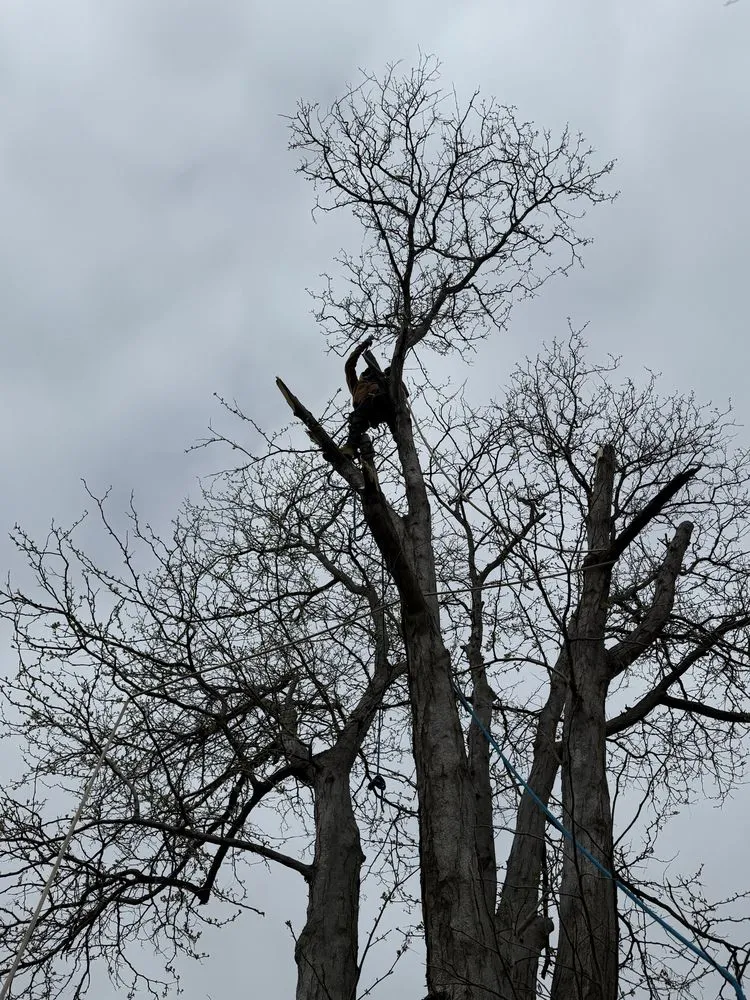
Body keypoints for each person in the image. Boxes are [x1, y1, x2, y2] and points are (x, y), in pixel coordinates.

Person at [340, 336, 397, 459]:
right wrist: (363, 346)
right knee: (357, 422)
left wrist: (390, 373)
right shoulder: (356, 385)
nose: (370, 375)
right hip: (365, 412)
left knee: (386, 407)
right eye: (367, 373)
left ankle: (398, 434)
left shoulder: (382, 382)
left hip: (382, 404)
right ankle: (352, 448)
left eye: (372, 373)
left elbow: (397, 389)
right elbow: (349, 366)